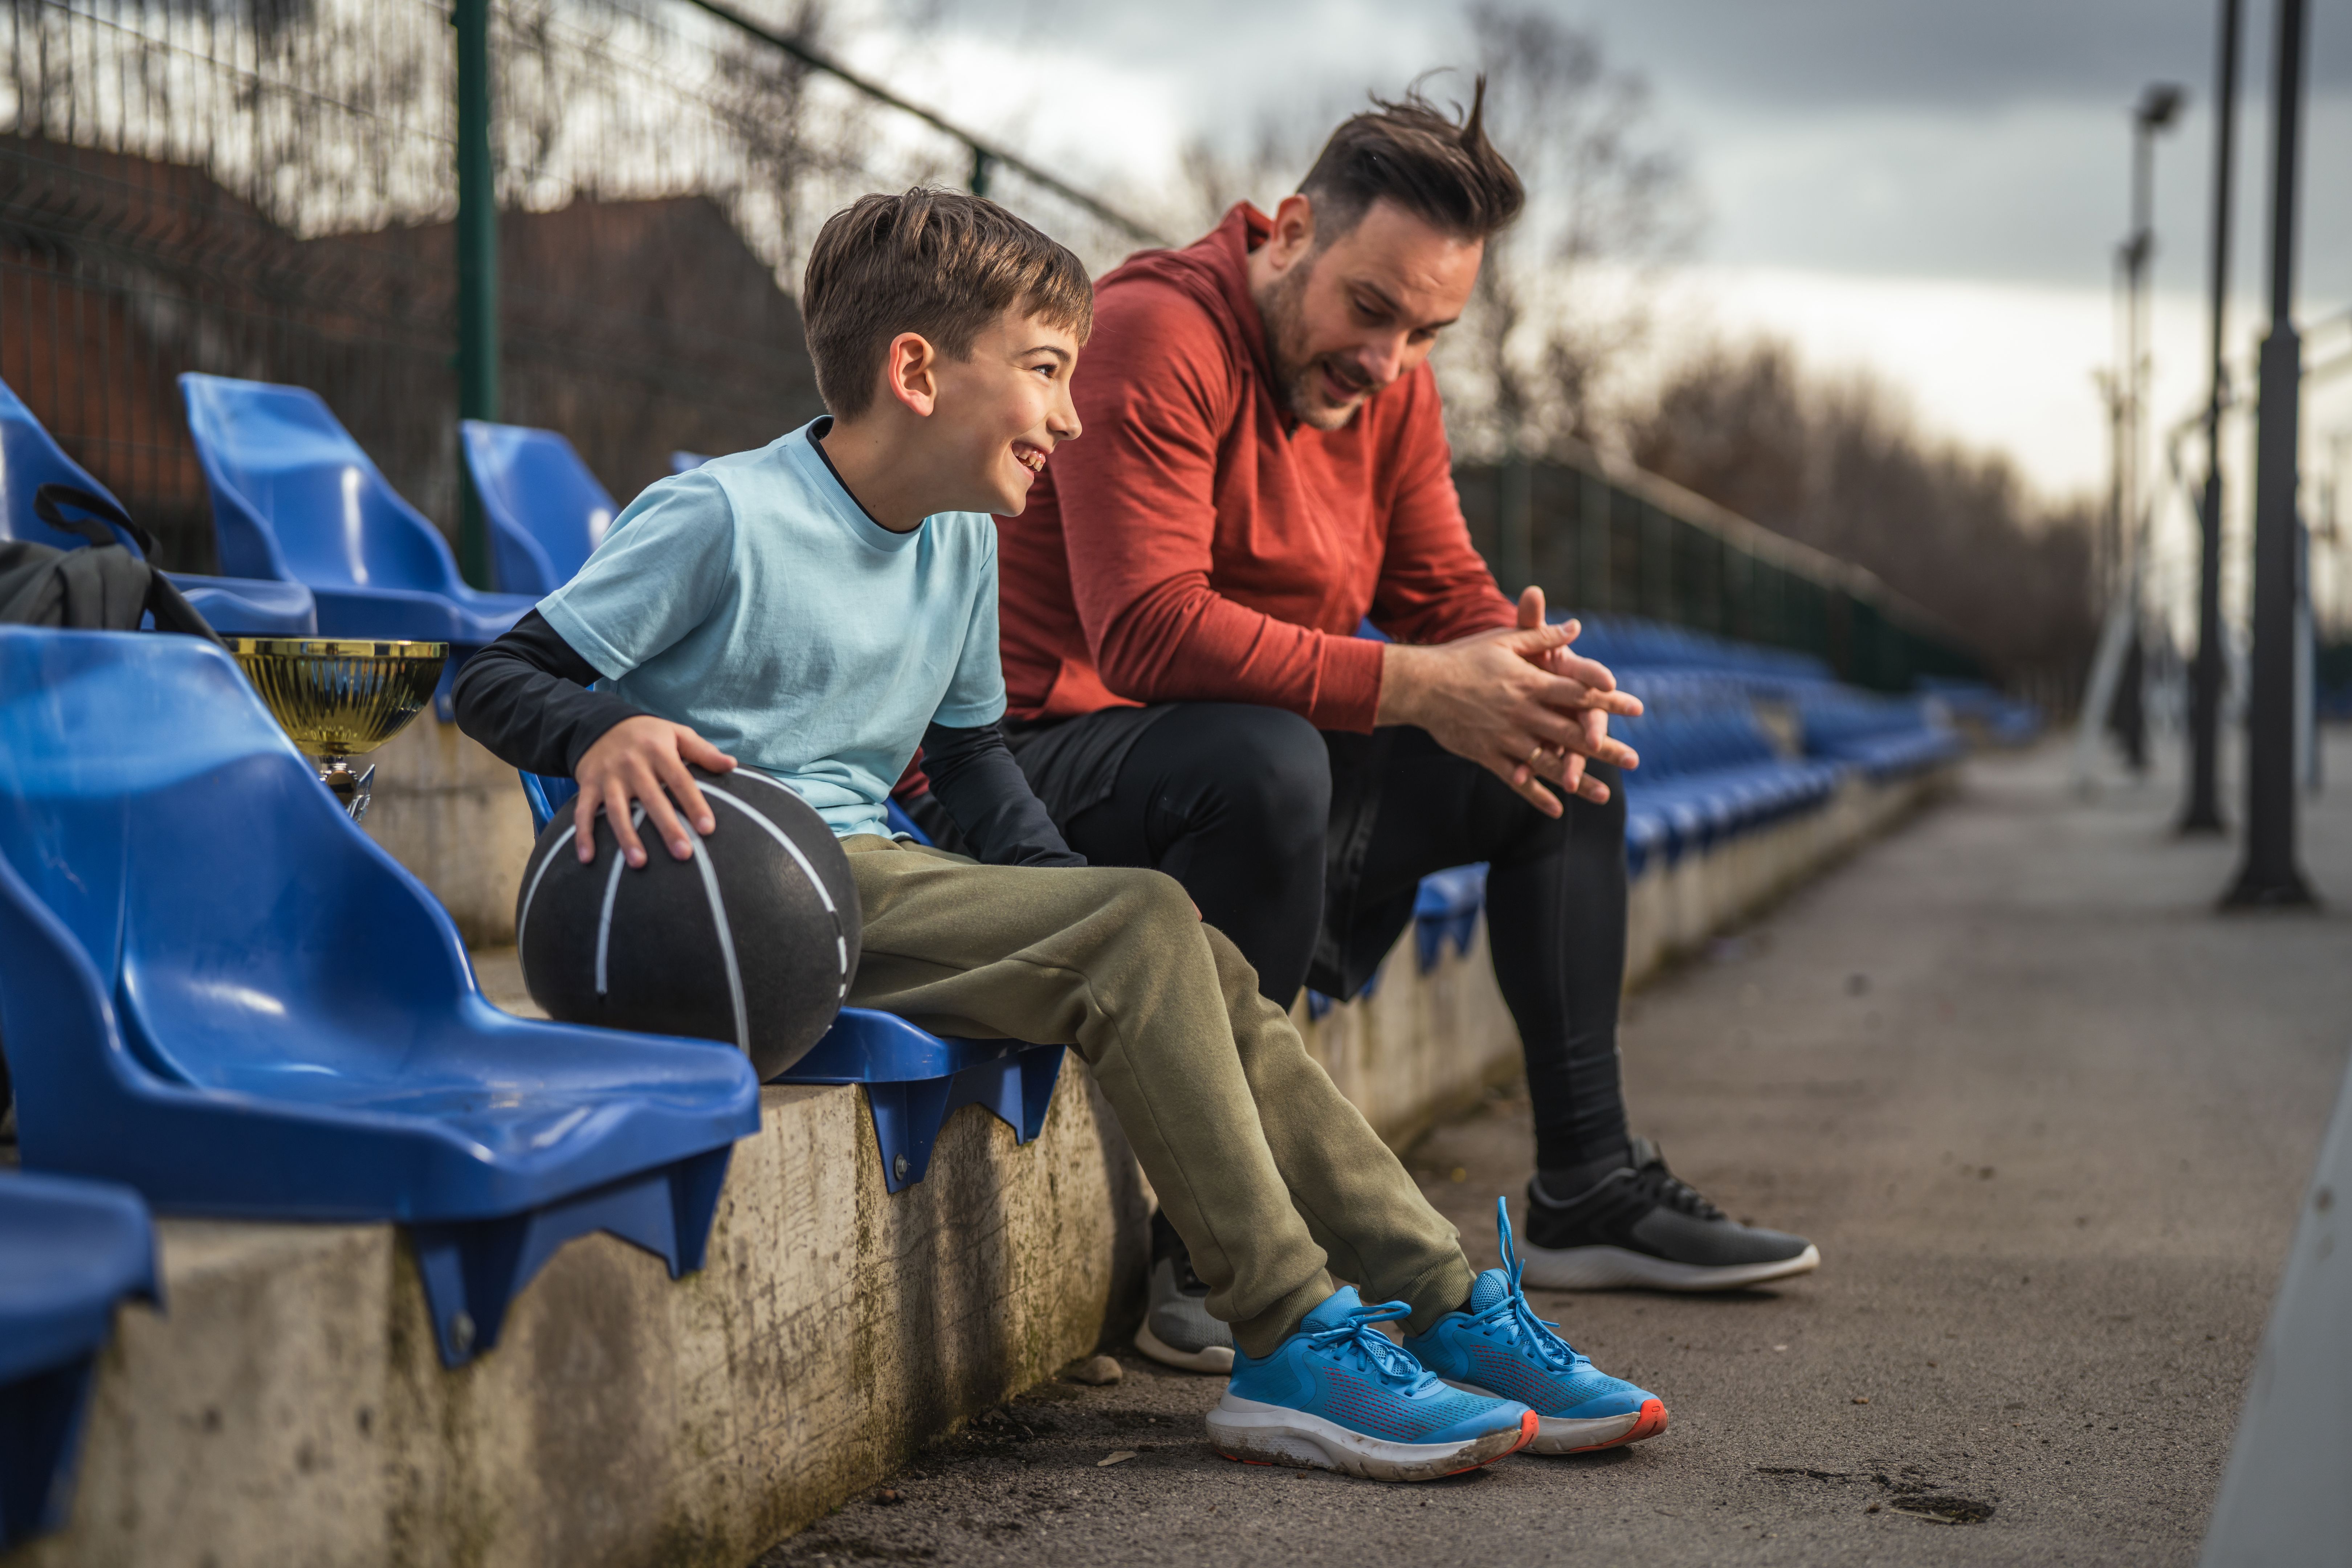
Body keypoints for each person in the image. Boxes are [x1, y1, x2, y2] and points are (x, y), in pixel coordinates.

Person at [452, 188, 1669, 1479]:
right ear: (915, 371)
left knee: (1175, 938)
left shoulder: (960, 540)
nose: (1071, 415)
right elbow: (494, 673)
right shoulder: (725, 518)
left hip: (877, 877)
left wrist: (1084, 897)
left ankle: (1441, 1299)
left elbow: (973, 762)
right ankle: (1288, 1331)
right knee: (1146, 925)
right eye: (1044, 372)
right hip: (740, 895)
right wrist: (598, 733)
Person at [987, 85, 1818, 1374]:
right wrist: (1430, 687)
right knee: (1268, 759)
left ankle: (1589, 1186)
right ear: (1289, 229)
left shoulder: (1392, 391)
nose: (1388, 359)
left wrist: (1532, 676)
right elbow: (1147, 634)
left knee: (1562, 767)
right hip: (1051, 769)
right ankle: (1213, 1249)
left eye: (1428, 332)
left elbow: (1442, 591)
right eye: (1370, 308)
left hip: (1259, 768)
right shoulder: (1154, 331)